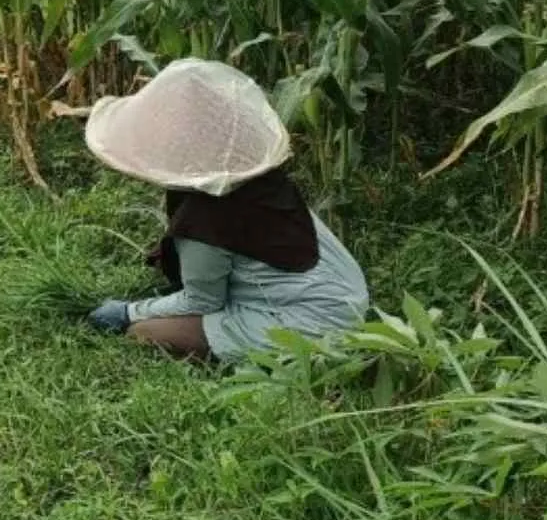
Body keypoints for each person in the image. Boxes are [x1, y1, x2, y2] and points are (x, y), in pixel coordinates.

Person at [78, 59, 369, 360]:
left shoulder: (204, 216)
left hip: (316, 324)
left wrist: (130, 311)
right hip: (349, 297)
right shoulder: (261, 179)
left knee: (146, 332)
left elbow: (202, 301)